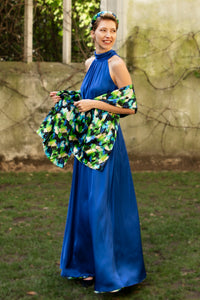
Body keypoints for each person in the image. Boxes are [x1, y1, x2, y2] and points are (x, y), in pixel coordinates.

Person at [50, 11, 146, 294]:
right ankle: (89, 266)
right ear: (93, 32)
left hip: (107, 146)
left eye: (113, 30)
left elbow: (129, 107)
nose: (108, 35)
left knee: (102, 206)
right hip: (87, 144)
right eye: (103, 30)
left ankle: (113, 271)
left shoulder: (117, 64)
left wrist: (95, 104)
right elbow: (89, 97)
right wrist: (68, 98)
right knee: (86, 204)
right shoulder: (90, 62)